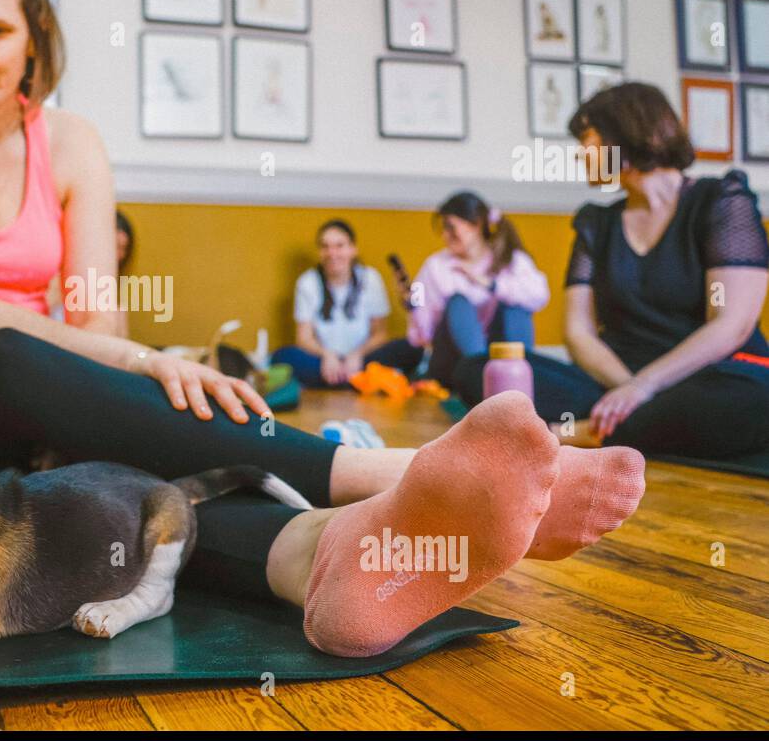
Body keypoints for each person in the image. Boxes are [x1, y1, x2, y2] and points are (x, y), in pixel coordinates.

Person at [0, 0, 644, 658]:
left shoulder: (72, 142)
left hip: (18, 426)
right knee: (8, 355)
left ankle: (327, 556)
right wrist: (144, 362)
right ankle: (395, 470)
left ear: (34, 33)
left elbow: (97, 315)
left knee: (129, 490)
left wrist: (111, 395)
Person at [454, 82, 769, 459]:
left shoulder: (721, 201)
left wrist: (646, 386)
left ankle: (574, 432)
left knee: (750, 402)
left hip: (711, 374)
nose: (579, 154)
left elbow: (731, 324)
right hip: (615, 379)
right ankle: (625, 425)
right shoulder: (596, 223)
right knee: (483, 368)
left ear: (625, 135)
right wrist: (630, 388)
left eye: (586, 140)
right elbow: (578, 332)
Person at [379, 191, 550, 388]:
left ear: (476, 225)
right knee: (458, 302)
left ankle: (518, 378)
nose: (445, 235)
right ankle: (480, 377)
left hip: (498, 356)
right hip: (454, 363)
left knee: (515, 308)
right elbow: (421, 338)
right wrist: (413, 306)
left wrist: (492, 285)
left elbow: (539, 295)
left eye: (450, 227)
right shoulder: (435, 266)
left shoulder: (511, 260)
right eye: (443, 229)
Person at [271, 219, 418, 387]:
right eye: (325, 246)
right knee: (281, 357)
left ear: (353, 249)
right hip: (323, 360)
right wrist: (327, 355)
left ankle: (343, 380)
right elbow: (303, 338)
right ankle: (357, 381)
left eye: (339, 246)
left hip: (363, 357)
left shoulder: (370, 278)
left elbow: (380, 334)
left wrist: (356, 355)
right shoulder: (307, 282)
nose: (332, 253)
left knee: (411, 347)